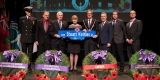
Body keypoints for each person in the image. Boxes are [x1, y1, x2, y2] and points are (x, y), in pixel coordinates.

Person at [18, 6, 37, 72]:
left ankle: (29, 67)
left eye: (30, 12)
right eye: (29, 12)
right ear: (26, 12)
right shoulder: (21, 19)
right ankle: (24, 67)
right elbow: (20, 28)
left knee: (30, 54)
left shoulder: (34, 19)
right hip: (24, 38)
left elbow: (34, 30)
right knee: (24, 53)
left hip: (30, 38)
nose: (30, 13)